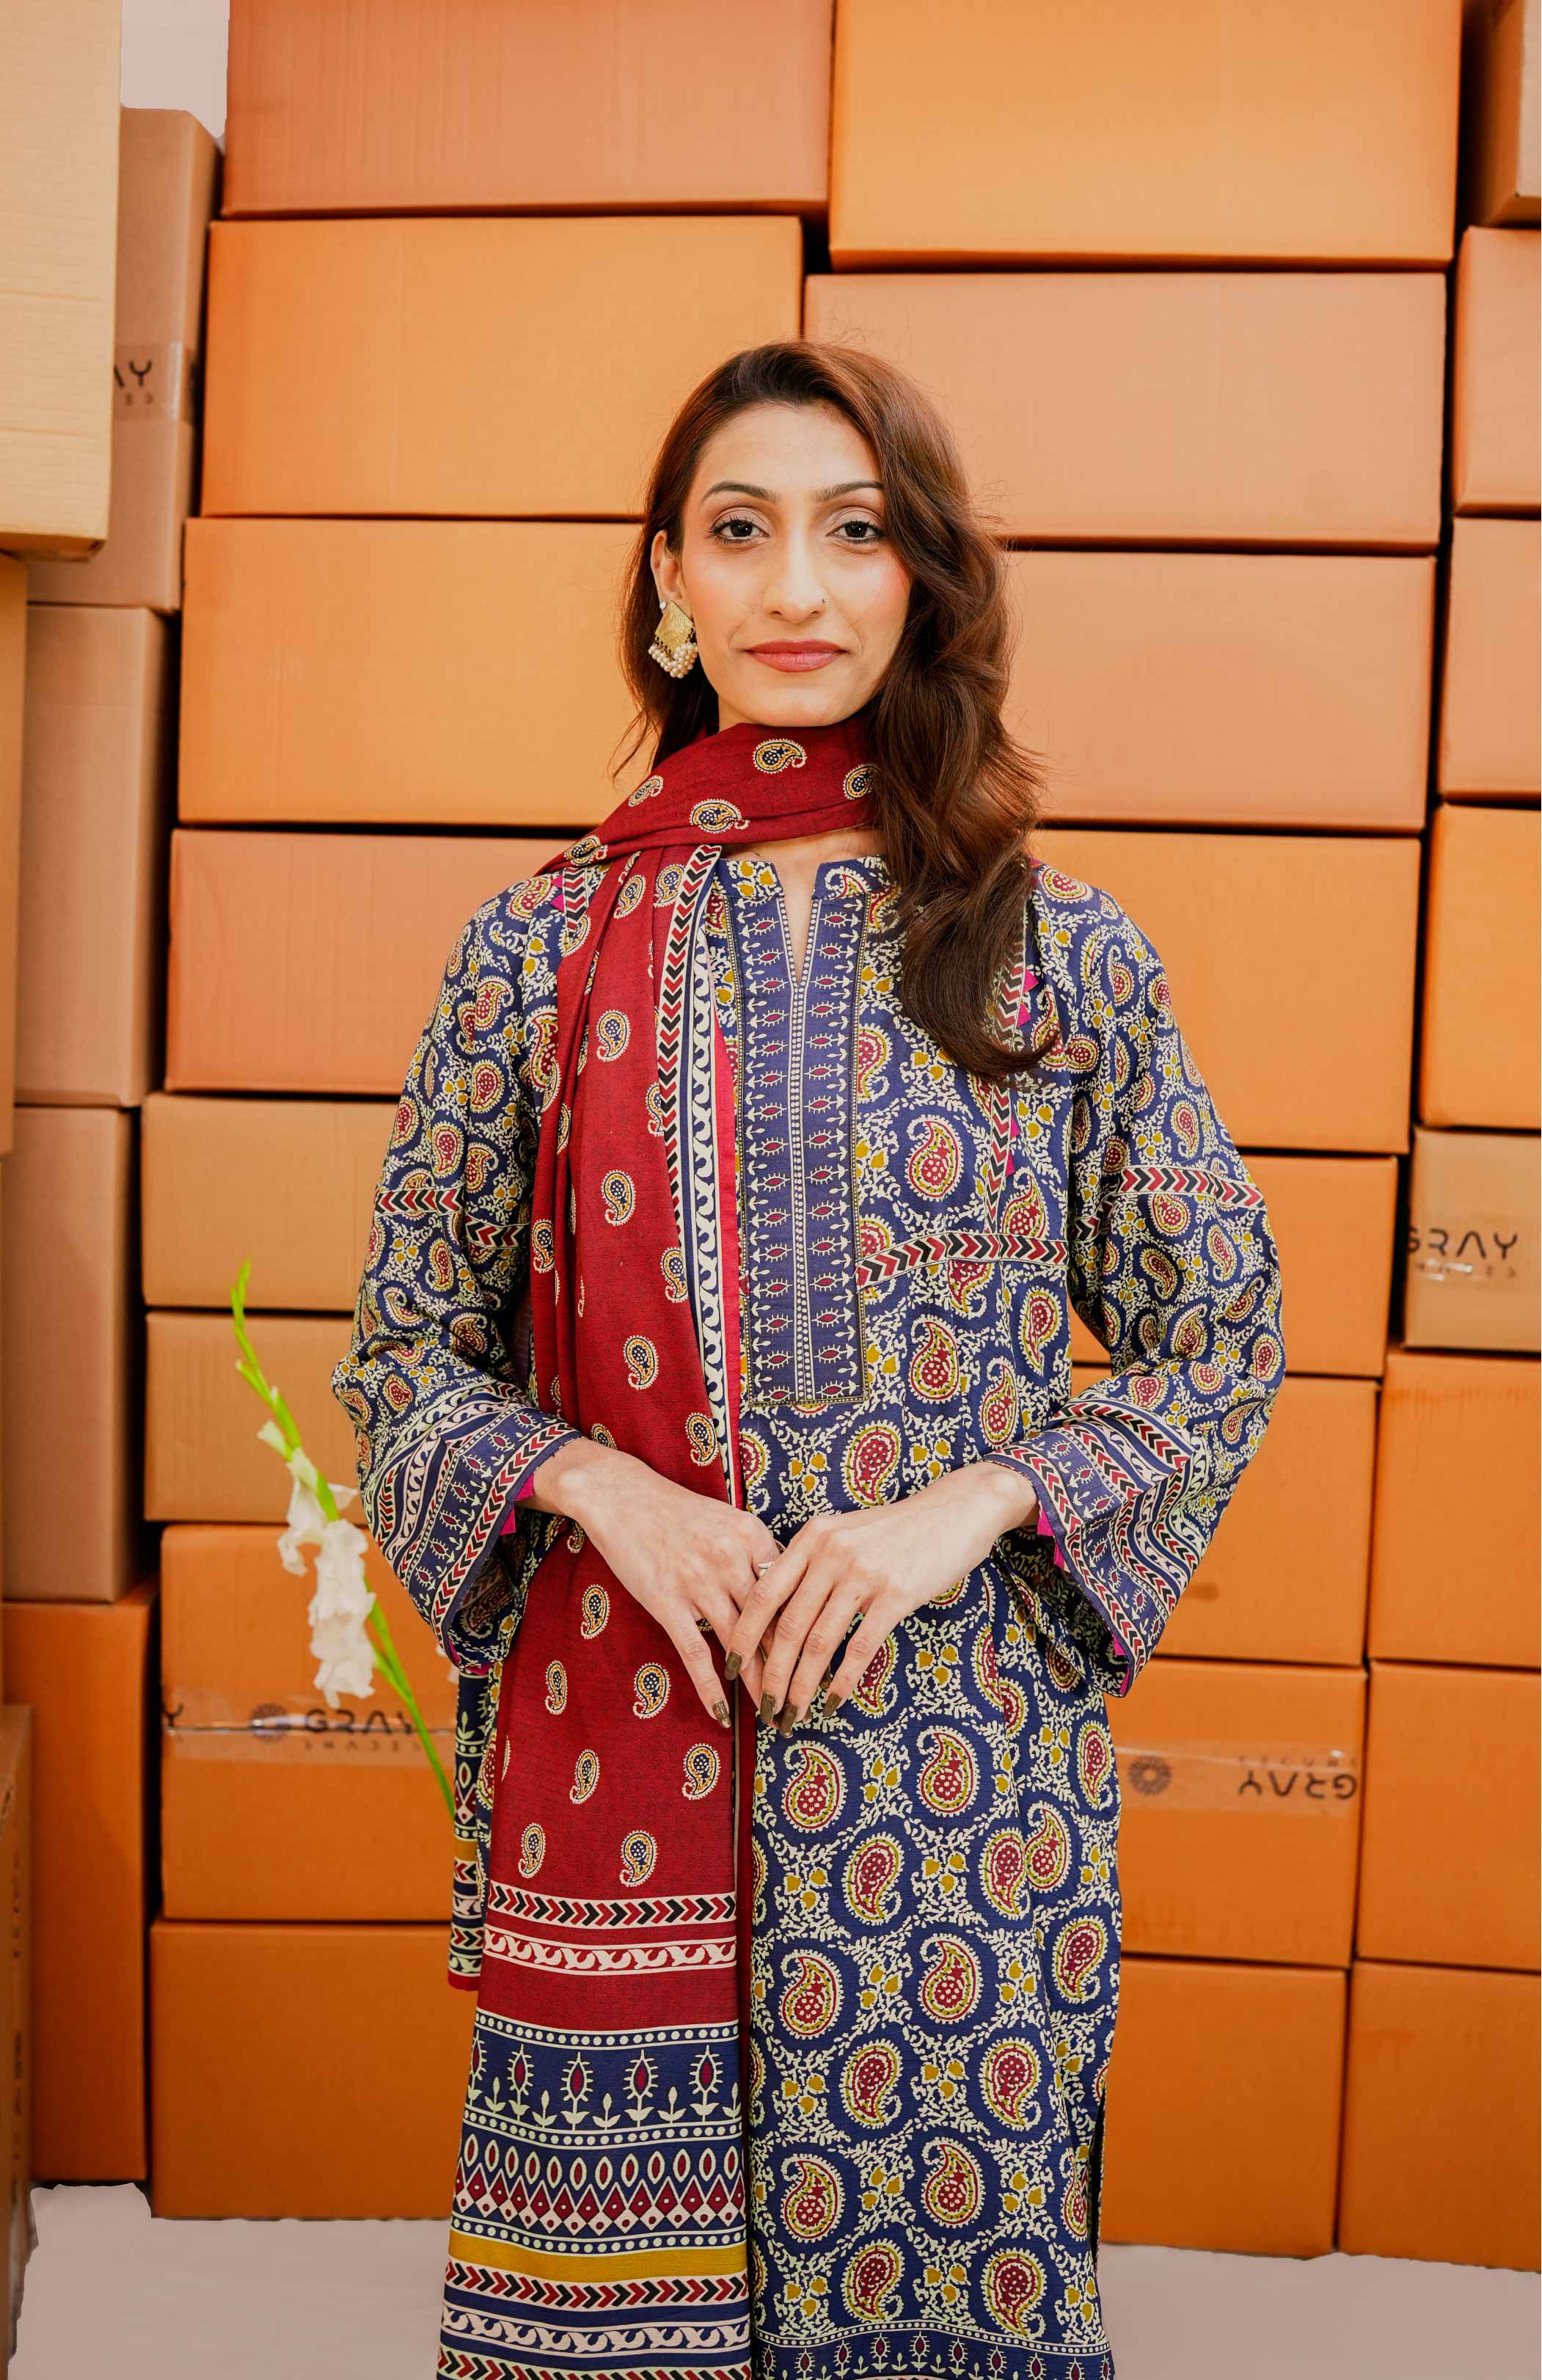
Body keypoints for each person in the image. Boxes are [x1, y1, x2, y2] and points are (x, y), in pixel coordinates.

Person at [332, 339, 1285, 2380]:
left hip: (952, 1793)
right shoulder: (536, 948)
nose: (795, 587)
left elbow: (1226, 1329)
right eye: (741, 531)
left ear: (921, 581)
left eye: (855, 533)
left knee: (941, 2302)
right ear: (667, 581)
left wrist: (970, 1508)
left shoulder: (1054, 949)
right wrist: (599, 1488)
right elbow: (399, 1350)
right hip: (625, 1734)